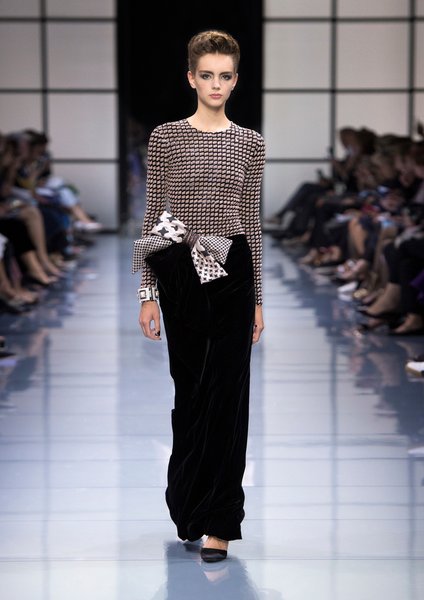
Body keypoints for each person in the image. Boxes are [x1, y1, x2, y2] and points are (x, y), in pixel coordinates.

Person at [134, 30, 265, 563]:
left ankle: (221, 522)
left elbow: (251, 223)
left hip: (232, 271)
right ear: (191, 78)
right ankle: (190, 505)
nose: (216, 85)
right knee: (190, 394)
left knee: (229, 397)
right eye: (206, 75)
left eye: (225, 76)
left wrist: (258, 299)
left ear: (236, 80)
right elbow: (154, 215)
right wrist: (147, 292)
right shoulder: (165, 137)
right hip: (178, 274)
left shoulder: (250, 142)